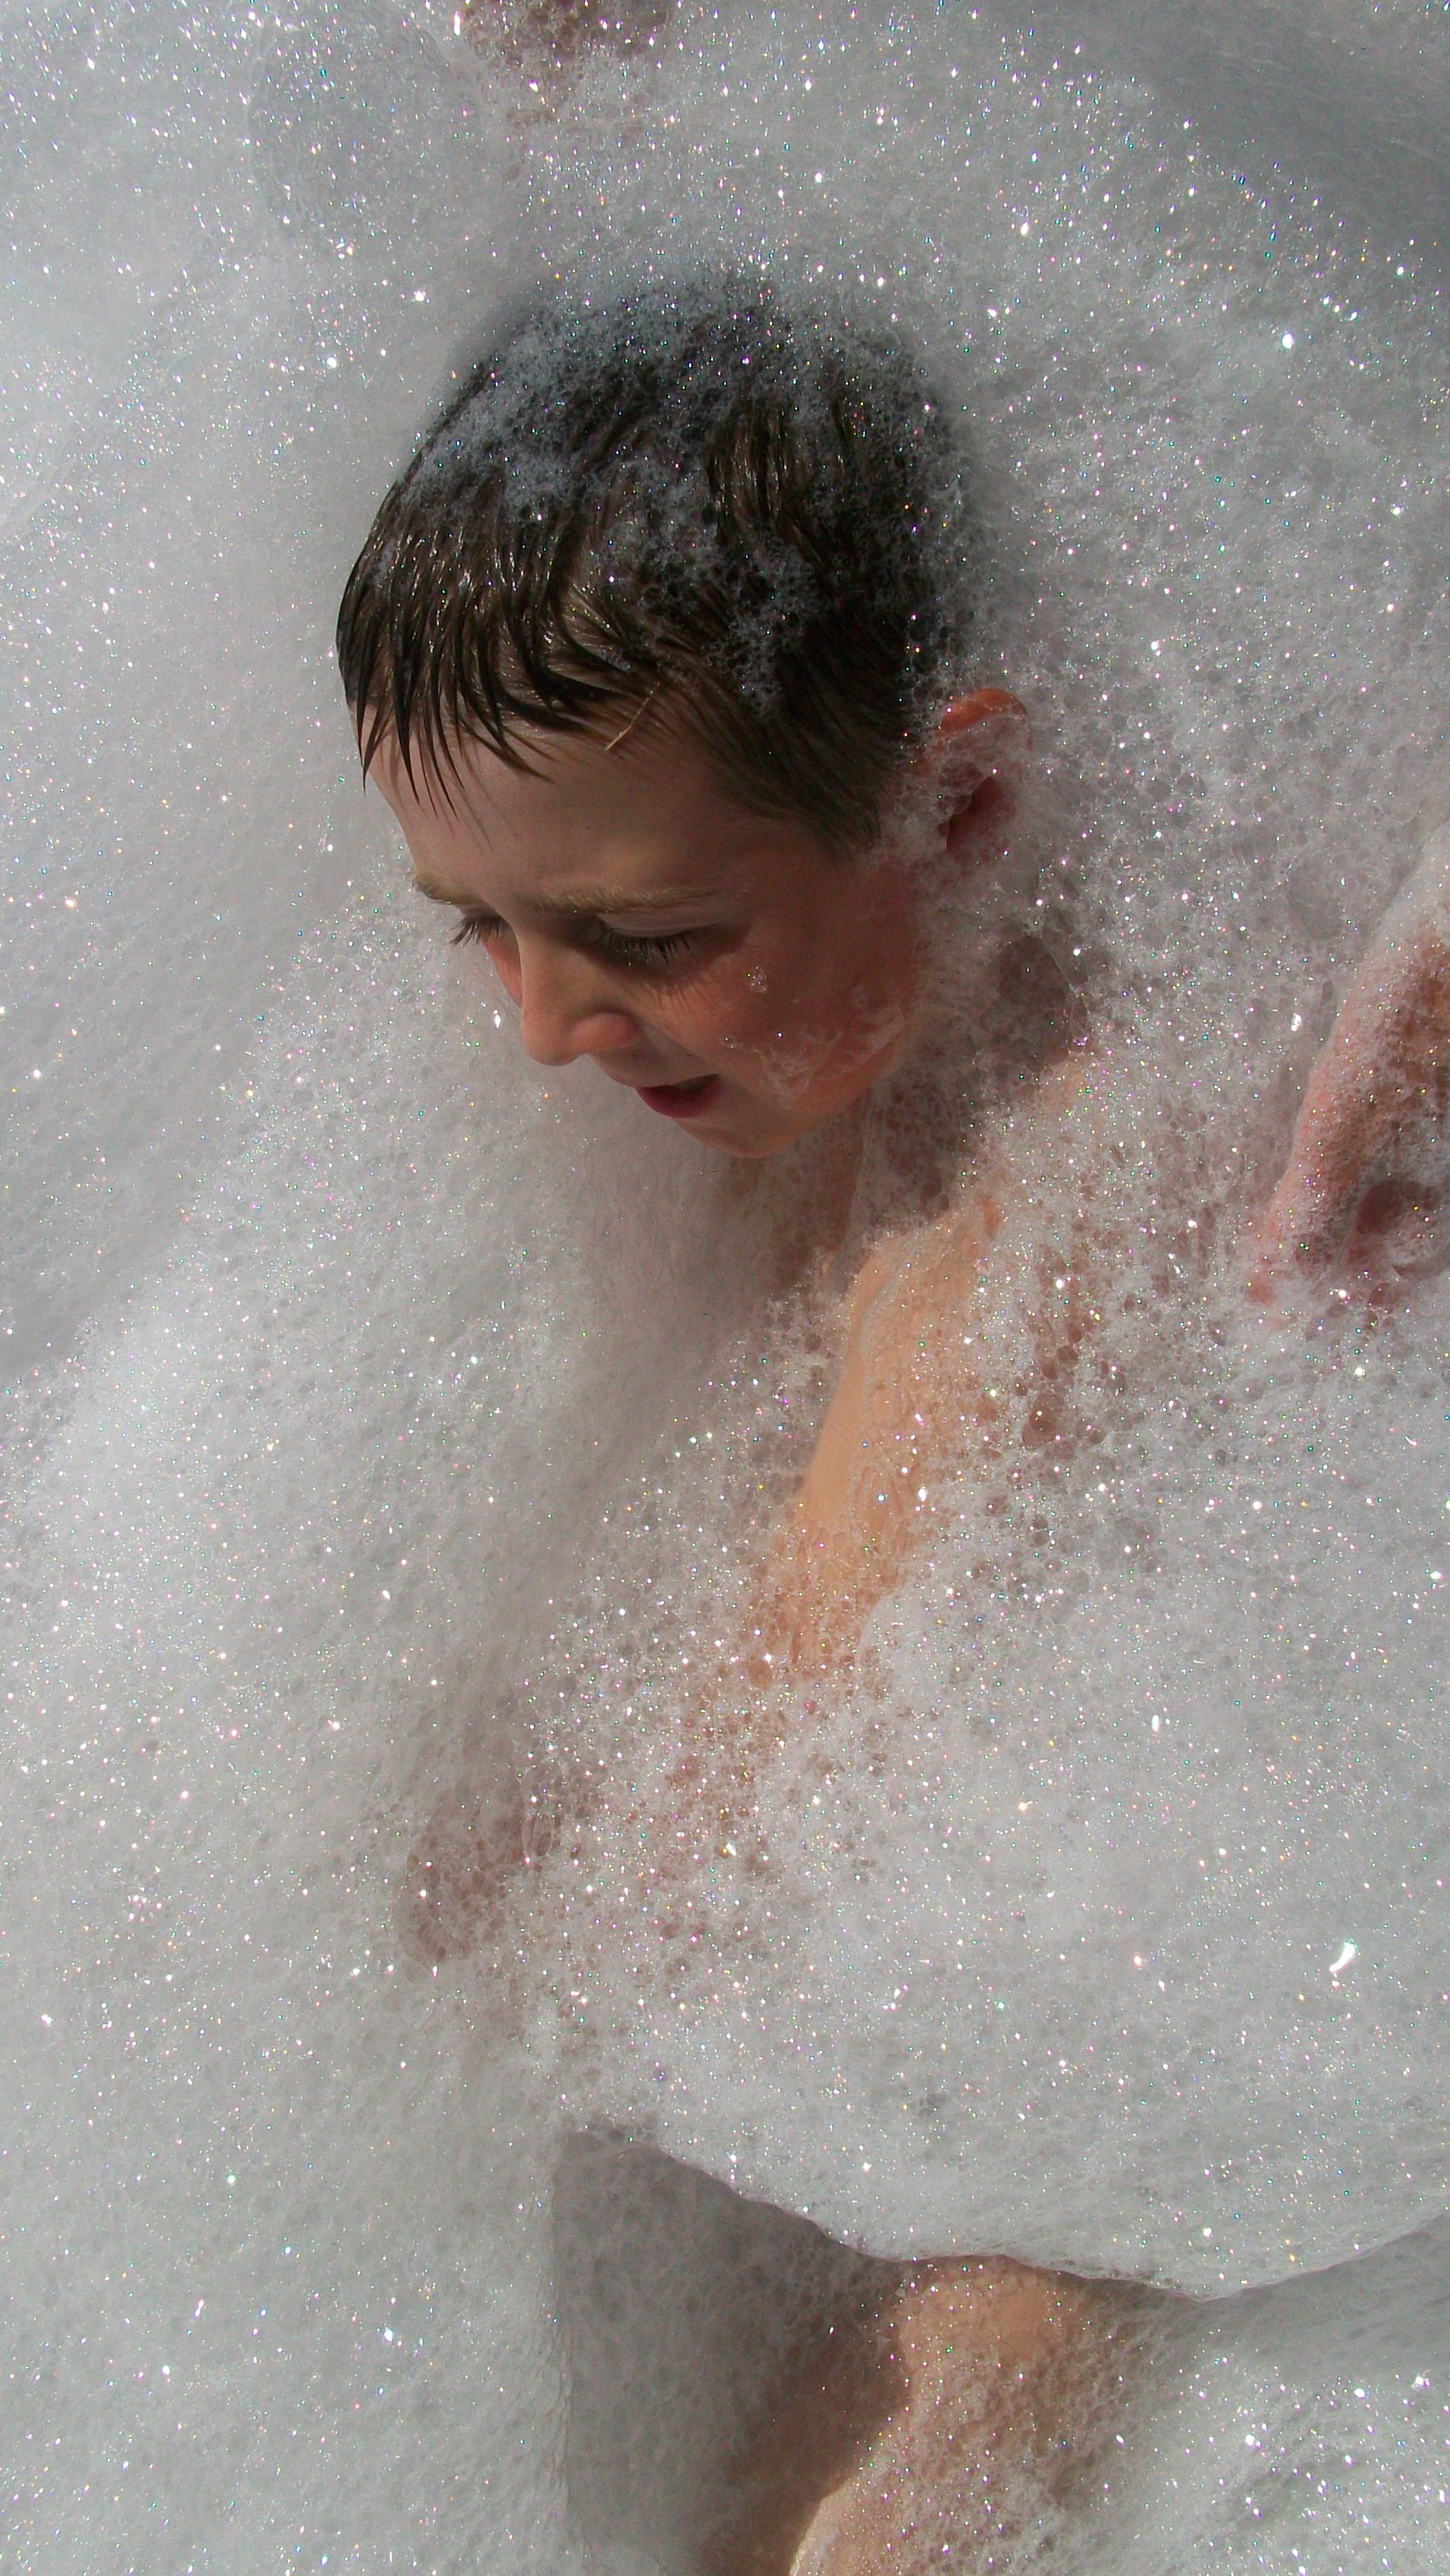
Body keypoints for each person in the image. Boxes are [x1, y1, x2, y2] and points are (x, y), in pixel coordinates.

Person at [336, 276, 1449, 2571]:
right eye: (477, 929)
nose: (544, 1025)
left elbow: (805, 1705)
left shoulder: (1040, 1169)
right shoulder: (877, 1009)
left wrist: (492, 1992)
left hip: (1194, 1927)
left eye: (639, 937)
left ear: (967, 800)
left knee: (995, 2329)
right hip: (1057, 1898)